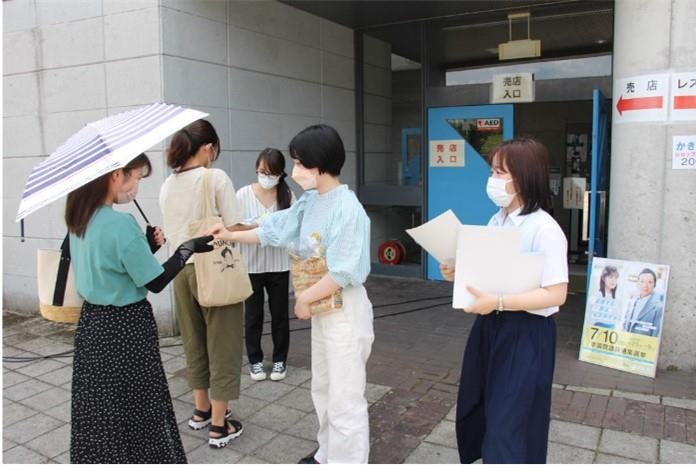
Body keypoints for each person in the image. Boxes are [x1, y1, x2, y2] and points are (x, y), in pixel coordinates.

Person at [207, 124, 373, 464]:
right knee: (324, 387)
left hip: (342, 307)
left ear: (319, 163)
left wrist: (305, 298)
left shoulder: (348, 208)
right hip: (323, 306)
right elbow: (275, 228)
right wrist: (230, 233)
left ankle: (348, 463)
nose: (293, 171)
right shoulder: (312, 200)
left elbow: (343, 271)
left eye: (299, 163)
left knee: (346, 396)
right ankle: (327, 454)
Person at [67, 153, 214, 463]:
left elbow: (110, 267)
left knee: (101, 409)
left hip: (93, 326)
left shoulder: (79, 219)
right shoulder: (122, 223)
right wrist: (186, 249)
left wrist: (146, 247)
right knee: (139, 407)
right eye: (135, 177)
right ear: (116, 175)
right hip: (127, 329)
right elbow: (156, 282)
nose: (136, 186)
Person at [440, 137, 568, 464]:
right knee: (479, 407)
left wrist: (497, 301)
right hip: (490, 328)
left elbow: (556, 293)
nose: (493, 180)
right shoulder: (497, 219)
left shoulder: (545, 229)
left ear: (524, 177)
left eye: (500, 172)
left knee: (509, 422)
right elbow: (491, 273)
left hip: (526, 333)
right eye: (493, 171)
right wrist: (460, 271)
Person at [159, 119, 245, 449]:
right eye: (216, 149)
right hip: (214, 268)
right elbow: (234, 226)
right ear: (208, 148)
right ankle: (220, 426)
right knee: (223, 344)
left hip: (180, 271)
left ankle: (201, 410)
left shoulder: (169, 184)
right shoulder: (215, 177)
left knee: (194, 341)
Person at [236, 148, 296, 382]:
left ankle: (280, 360)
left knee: (280, 315)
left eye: (271, 173)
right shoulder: (243, 194)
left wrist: (273, 227)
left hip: (279, 265)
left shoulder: (288, 195)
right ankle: (255, 361)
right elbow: (231, 226)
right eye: (262, 171)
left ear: (281, 174)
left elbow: (295, 227)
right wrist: (256, 226)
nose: (266, 176)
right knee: (253, 316)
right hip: (250, 265)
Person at [623, 268, 663, 337]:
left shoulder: (658, 307)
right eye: (642, 281)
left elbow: (656, 334)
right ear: (638, 283)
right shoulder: (632, 302)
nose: (645, 285)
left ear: (654, 285)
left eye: (650, 282)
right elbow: (625, 324)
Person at [592, 265, 621, 329]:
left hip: (612, 327)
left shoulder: (617, 296)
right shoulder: (597, 294)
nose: (613, 280)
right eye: (611, 277)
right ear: (603, 278)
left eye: (616, 278)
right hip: (598, 326)